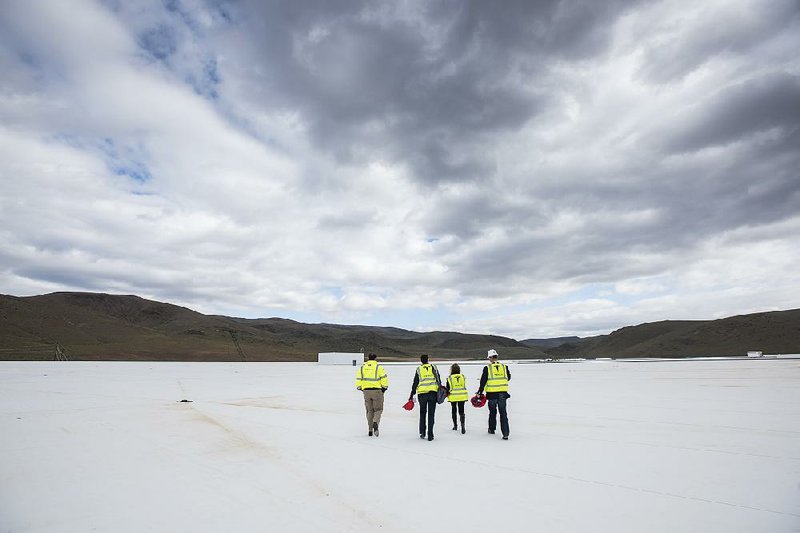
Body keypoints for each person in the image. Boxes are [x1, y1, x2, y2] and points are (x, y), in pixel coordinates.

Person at [476, 349, 511, 440]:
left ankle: (492, 429)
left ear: (490, 358)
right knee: (503, 413)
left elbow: (483, 381)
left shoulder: (487, 368)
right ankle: (505, 433)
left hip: (492, 395)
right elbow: (508, 377)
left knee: (492, 412)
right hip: (503, 394)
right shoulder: (504, 367)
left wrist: (479, 392)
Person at [408, 354, 441, 441]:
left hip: (422, 394)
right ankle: (430, 434)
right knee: (431, 414)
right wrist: (440, 389)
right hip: (432, 393)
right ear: (428, 359)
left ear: (421, 361)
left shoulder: (419, 369)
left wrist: (411, 394)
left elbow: (415, 383)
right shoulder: (433, 367)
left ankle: (422, 432)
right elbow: (438, 379)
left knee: (422, 413)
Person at [355, 353, 388, 437]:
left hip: (366, 391)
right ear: (375, 358)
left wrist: (360, 387)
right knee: (378, 410)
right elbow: (384, 378)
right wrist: (384, 388)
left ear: (368, 358)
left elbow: (359, 378)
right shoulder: (378, 367)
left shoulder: (362, 367)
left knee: (369, 411)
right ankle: (375, 422)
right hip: (377, 391)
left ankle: (370, 430)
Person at [446, 363, 468, 434]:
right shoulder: (463, 376)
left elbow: (447, 388)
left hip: (453, 396)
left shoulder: (449, 378)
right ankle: (463, 426)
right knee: (461, 411)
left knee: (454, 409)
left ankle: (455, 426)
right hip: (462, 395)